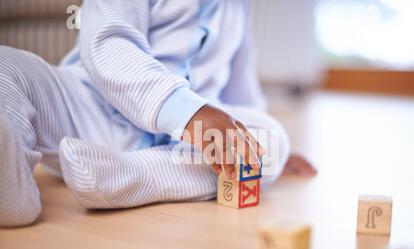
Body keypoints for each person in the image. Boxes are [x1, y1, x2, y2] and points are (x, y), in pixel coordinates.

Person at [0, 0, 316, 227]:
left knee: (271, 137)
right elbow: (107, 44)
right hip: (89, 111)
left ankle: (132, 176)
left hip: (186, 148)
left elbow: (240, 82)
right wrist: (189, 112)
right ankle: (9, 187)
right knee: (7, 68)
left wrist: (251, 147)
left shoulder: (237, 7)